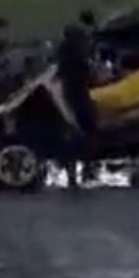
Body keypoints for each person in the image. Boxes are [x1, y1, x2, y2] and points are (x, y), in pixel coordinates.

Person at [56, 24, 98, 188]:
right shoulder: (78, 56)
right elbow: (89, 76)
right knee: (88, 132)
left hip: (68, 97)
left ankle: (73, 175)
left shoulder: (63, 55)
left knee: (73, 137)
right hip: (79, 97)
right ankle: (87, 169)